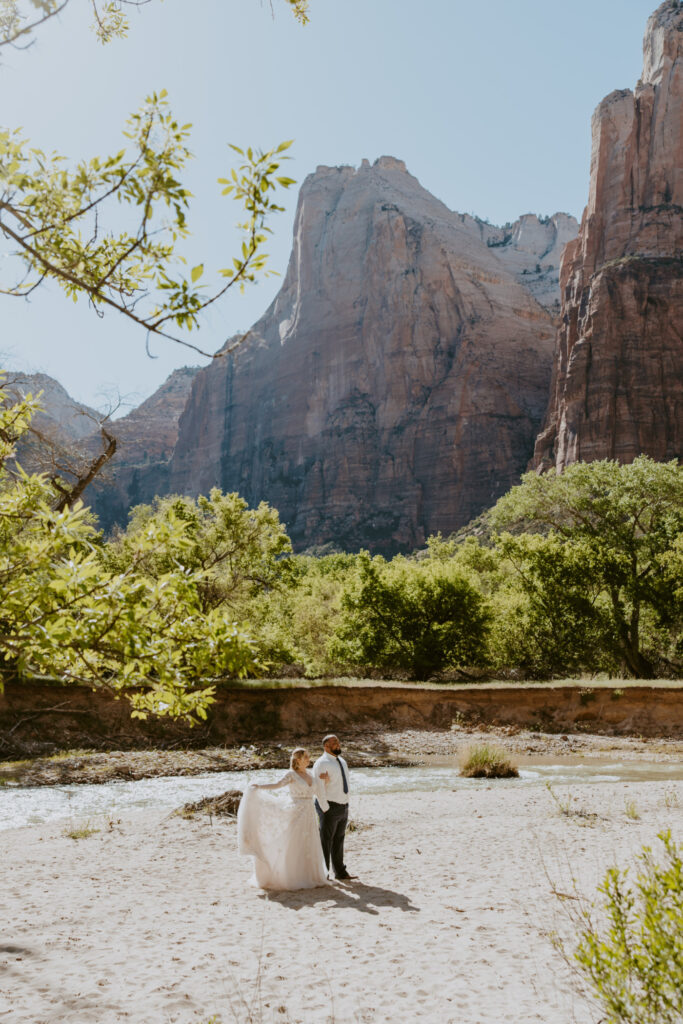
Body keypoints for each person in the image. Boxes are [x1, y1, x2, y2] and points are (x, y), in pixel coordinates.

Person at [237, 747, 330, 890]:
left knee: (309, 844)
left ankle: (309, 876)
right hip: (296, 812)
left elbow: (318, 791)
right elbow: (277, 785)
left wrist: (326, 784)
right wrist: (259, 787)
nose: (308, 759)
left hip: (309, 813)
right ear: (298, 759)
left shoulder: (311, 775)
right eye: (306, 757)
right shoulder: (291, 774)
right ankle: (292, 876)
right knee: (295, 844)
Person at [313, 734, 355, 881]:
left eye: (338, 741)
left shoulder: (341, 761)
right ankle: (323, 874)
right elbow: (319, 788)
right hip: (329, 806)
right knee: (326, 841)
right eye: (334, 743)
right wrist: (325, 808)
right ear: (326, 746)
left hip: (343, 806)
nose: (338, 744)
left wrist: (346, 802)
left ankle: (340, 872)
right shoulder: (321, 763)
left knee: (339, 839)